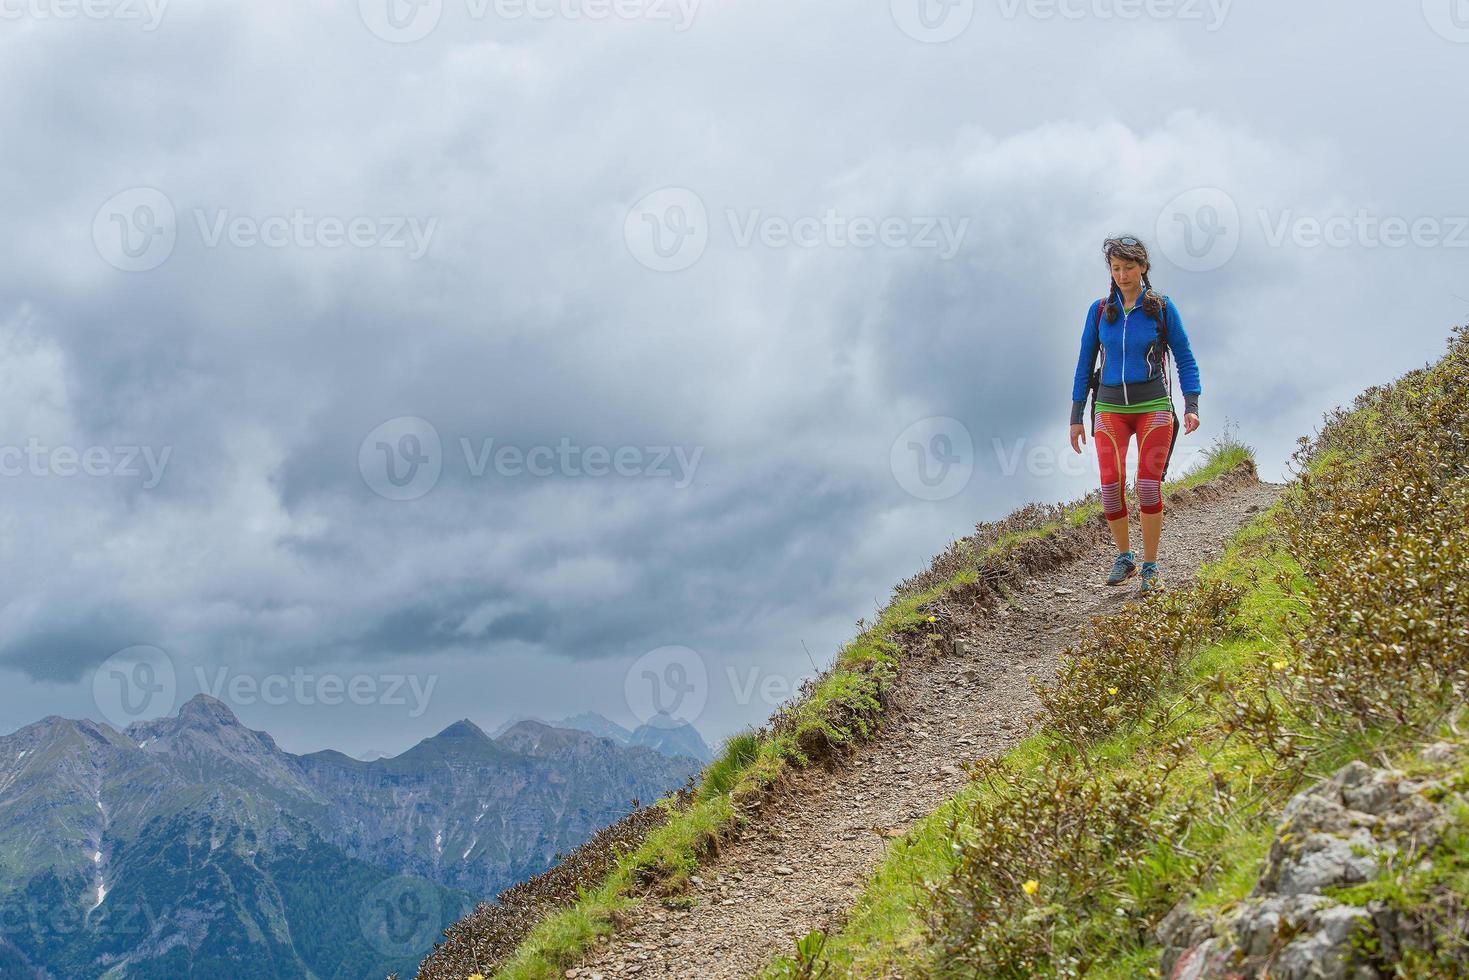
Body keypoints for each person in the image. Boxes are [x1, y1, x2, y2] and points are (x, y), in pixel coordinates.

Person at [1068, 236, 1201, 594]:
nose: (1123, 275)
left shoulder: (1161, 308)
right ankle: (1124, 556)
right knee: (1110, 487)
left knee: (1146, 484)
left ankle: (1150, 564)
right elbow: (1084, 363)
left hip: (1153, 406)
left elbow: (1185, 357)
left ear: (1143, 267)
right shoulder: (1099, 311)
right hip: (1109, 407)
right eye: (1116, 268)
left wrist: (1192, 405)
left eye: (1129, 267)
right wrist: (1076, 415)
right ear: (1109, 270)